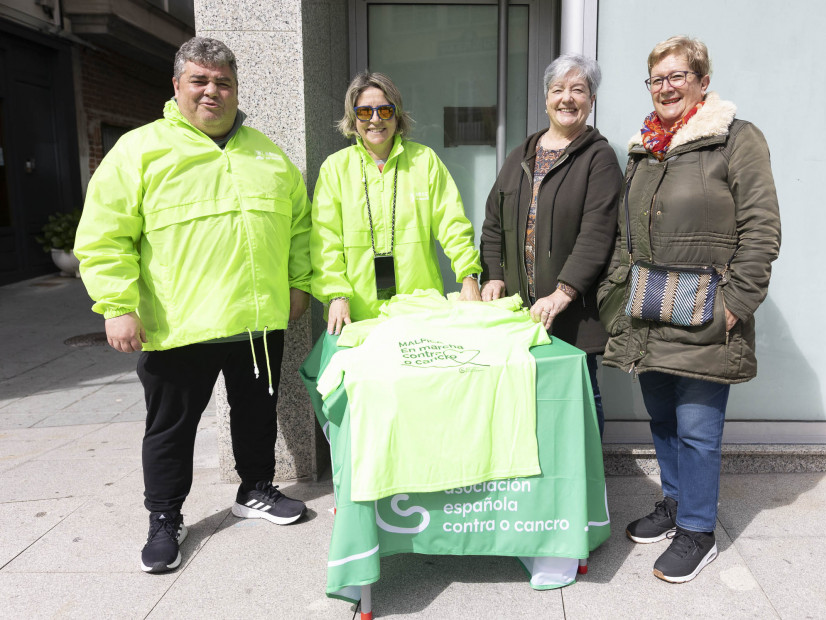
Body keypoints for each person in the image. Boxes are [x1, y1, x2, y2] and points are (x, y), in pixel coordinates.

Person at [74, 37, 312, 574]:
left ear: (235, 89)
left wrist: (300, 282)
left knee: (256, 413)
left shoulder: (265, 153)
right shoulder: (140, 150)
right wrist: (116, 304)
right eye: (200, 80)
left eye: (222, 81)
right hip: (180, 323)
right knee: (171, 427)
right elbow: (105, 235)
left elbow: (300, 227)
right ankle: (165, 518)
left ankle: (255, 489)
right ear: (177, 85)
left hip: (256, 321)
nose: (212, 91)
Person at [598, 36, 781, 583]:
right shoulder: (644, 150)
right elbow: (625, 234)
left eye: (679, 75)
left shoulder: (736, 139)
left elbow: (761, 228)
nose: (667, 86)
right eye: (657, 78)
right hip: (649, 310)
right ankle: (676, 506)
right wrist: (615, 297)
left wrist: (737, 302)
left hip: (706, 310)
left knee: (699, 429)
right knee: (664, 419)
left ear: (702, 80)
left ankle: (699, 532)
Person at [480, 54, 622, 436]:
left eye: (579, 89)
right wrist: (492, 275)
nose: (567, 98)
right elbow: (494, 222)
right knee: (527, 400)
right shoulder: (521, 156)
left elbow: (597, 235)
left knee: (579, 398)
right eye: (558, 89)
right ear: (546, 99)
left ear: (591, 100)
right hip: (520, 313)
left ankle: (588, 484)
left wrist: (563, 293)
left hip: (573, 313)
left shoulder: (600, 158)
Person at [311, 72, 481, 332]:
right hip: (358, 316)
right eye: (365, 112)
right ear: (353, 117)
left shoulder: (425, 161)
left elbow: (453, 224)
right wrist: (336, 294)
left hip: (421, 312)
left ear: (397, 114)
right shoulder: (335, 168)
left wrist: (469, 276)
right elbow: (326, 240)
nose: (376, 120)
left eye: (385, 111)